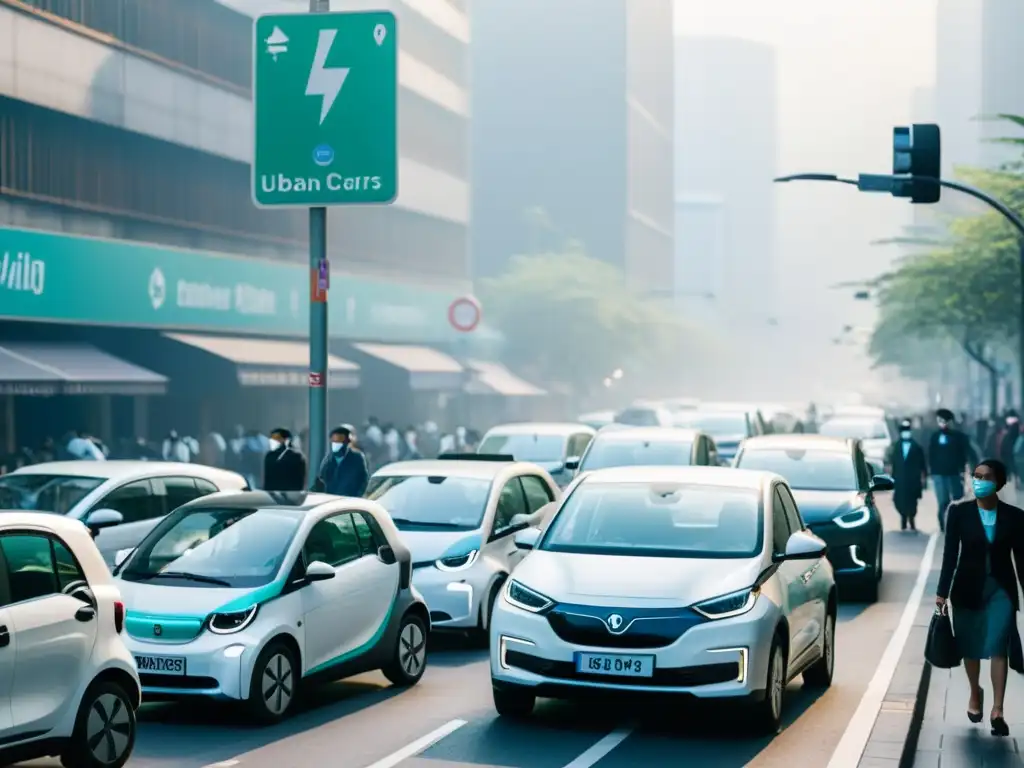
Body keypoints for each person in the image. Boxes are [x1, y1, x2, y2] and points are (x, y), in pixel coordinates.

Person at [936, 459, 1024, 737]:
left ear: (998, 483)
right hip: (966, 589)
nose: (978, 481)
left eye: (985, 477)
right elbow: (950, 555)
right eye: (975, 476)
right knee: (971, 647)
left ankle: (998, 709)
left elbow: (1021, 560)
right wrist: (941, 592)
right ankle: (975, 693)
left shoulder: (1015, 516)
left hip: (1001, 590)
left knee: (999, 645)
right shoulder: (959, 513)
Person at [929, 408, 974, 532]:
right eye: (940, 421)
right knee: (943, 500)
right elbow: (931, 454)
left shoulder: (959, 437)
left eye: (945, 421)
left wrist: (966, 469)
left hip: (954, 473)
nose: (942, 423)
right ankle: (944, 524)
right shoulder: (934, 437)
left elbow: (966, 454)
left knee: (957, 499)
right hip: (939, 474)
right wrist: (931, 471)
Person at [887, 418, 927, 531]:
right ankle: (903, 519)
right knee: (899, 500)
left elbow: (922, 464)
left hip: (913, 480)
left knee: (912, 501)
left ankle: (912, 520)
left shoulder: (916, 447)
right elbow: (892, 463)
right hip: (899, 479)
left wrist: (923, 478)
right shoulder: (896, 447)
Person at [313, 425, 369, 497]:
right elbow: (321, 479)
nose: (336, 443)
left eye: (339, 440)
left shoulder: (357, 458)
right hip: (330, 501)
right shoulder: (328, 459)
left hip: (349, 501)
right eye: (334, 440)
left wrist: (357, 496)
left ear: (346, 442)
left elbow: (363, 480)